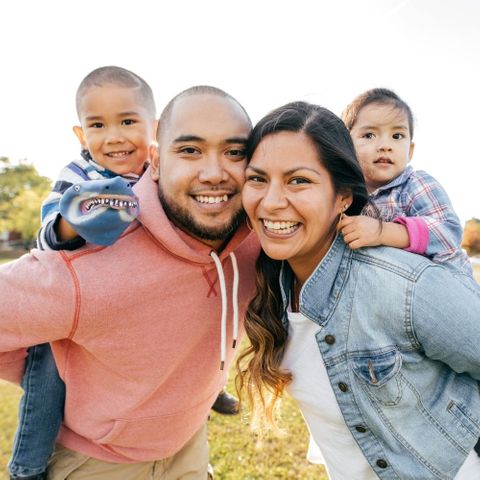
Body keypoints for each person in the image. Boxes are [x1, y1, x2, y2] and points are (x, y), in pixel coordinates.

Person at [0, 85, 259, 480]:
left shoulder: (256, 240)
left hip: (189, 444)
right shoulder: (87, 262)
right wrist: (61, 369)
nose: (213, 173)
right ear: (155, 160)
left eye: (235, 152)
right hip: (97, 463)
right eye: (190, 150)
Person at [238, 101, 480, 479]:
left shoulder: (401, 284)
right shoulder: (275, 283)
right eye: (257, 179)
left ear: (344, 197)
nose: (271, 201)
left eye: (298, 180)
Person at [8, 65, 157, 480]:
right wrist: (73, 221)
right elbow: (45, 235)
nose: (113, 136)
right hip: (67, 302)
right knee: (48, 378)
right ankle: (28, 467)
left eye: (128, 121)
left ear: (154, 127)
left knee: (179, 335)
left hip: (133, 298)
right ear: (81, 135)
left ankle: (209, 394)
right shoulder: (80, 175)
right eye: (98, 124)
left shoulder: (159, 173)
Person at [338, 87, 473, 280]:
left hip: (450, 287)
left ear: (410, 151)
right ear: (346, 146)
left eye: (397, 136)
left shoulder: (415, 184)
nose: (386, 145)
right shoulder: (346, 196)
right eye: (369, 135)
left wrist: (382, 232)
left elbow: (447, 232)